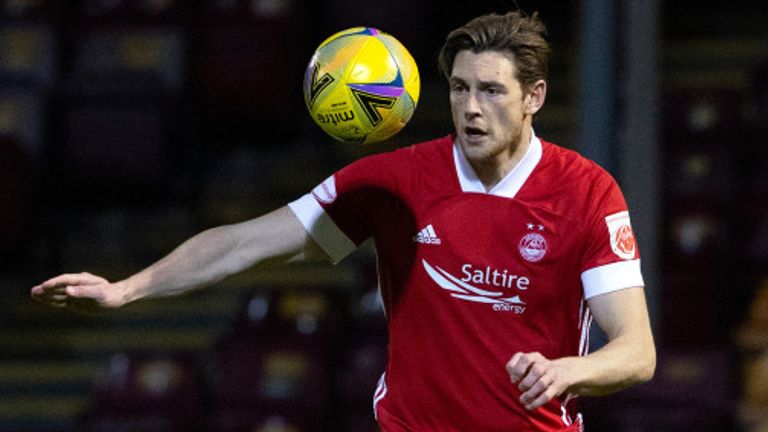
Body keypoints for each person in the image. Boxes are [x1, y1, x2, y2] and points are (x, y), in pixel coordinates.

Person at [31, 10, 656, 432]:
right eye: (460, 88)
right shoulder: (396, 180)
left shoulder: (586, 193)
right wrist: (126, 288)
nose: (470, 107)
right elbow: (246, 242)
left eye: (491, 91)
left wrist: (568, 370)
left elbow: (636, 352)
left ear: (535, 97)